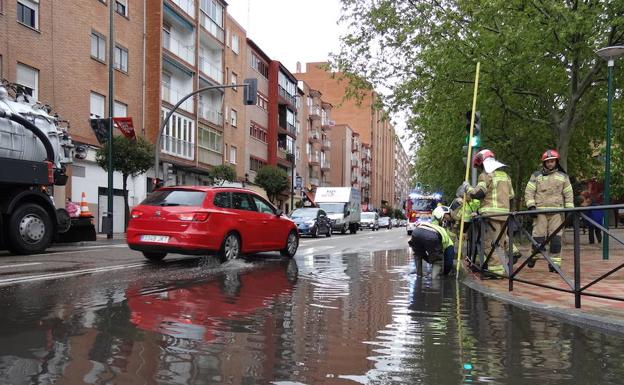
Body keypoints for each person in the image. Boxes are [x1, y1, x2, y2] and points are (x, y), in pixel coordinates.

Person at [458, 149, 519, 278]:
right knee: (500, 243)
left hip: (490, 215)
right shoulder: (505, 176)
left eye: (480, 166)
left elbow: (478, 193)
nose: (480, 169)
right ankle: (501, 269)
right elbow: (512, 195)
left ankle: (495, 272)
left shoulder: (485, 175)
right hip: (504, 214)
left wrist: (467, 187)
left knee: (490, 243)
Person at [524, 149, 574, 272]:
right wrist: (531, 206)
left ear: (556, 162)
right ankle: (533, 256)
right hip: (539, 212)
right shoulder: (536, 176)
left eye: (552, 161)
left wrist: (570, 211)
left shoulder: (563, 177)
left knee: (556, 239)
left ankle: (554, 264)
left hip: (556, 212)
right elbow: (529, 192)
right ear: (544, 163)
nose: (550, 164)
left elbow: (568, 194)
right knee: (538, 239)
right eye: (548, 162)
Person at [408, 206, 455, 277]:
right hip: (432, 236)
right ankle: (435, 282)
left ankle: (419, 275)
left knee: (418, 255)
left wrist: (429, 259)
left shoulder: (431, 224)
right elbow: (441, 250)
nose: (446, 218)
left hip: (416, 232)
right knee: (437, 261)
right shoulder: (442, 232)